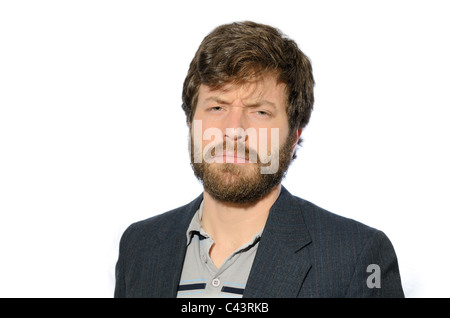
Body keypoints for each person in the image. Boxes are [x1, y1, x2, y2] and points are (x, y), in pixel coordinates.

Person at [114, 21, 404, 298]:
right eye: (217, 107)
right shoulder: (139, 246)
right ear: (191, 122)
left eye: (260, 112)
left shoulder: (357, 256)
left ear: (293, 137)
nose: (233, 130)